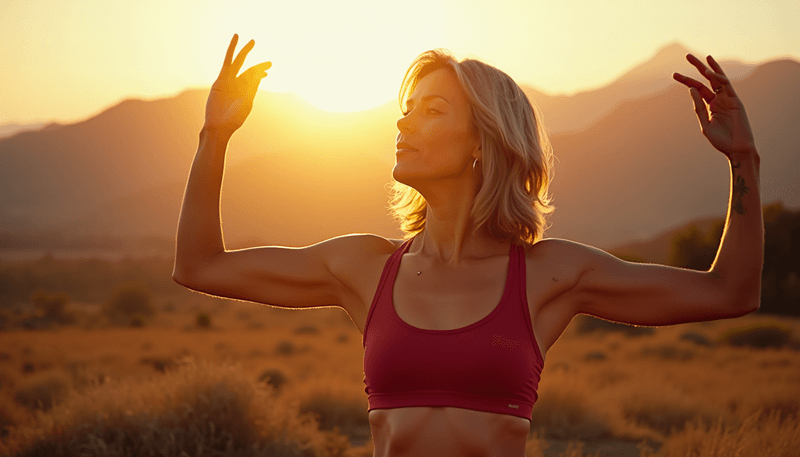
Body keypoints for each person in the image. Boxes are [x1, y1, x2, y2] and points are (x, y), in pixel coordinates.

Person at [173, 34, 764, 457]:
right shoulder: (362, 267)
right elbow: (200, 265)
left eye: (432, 111)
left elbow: (730, 292)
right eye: (405, 112)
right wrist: (213, 137)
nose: (403, 125)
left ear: (484, 141)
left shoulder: (549, 274)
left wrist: (744, 163)